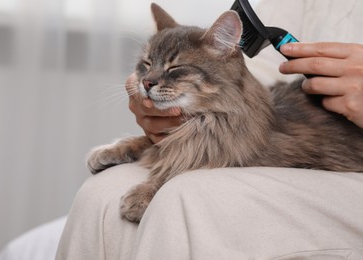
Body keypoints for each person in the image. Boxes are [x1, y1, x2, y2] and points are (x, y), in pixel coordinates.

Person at [56, 0, 363, 259]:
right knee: (101, 193)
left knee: (187, 197)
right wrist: (165, 113)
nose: (149, 79)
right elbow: (254, 67)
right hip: (260, 96)